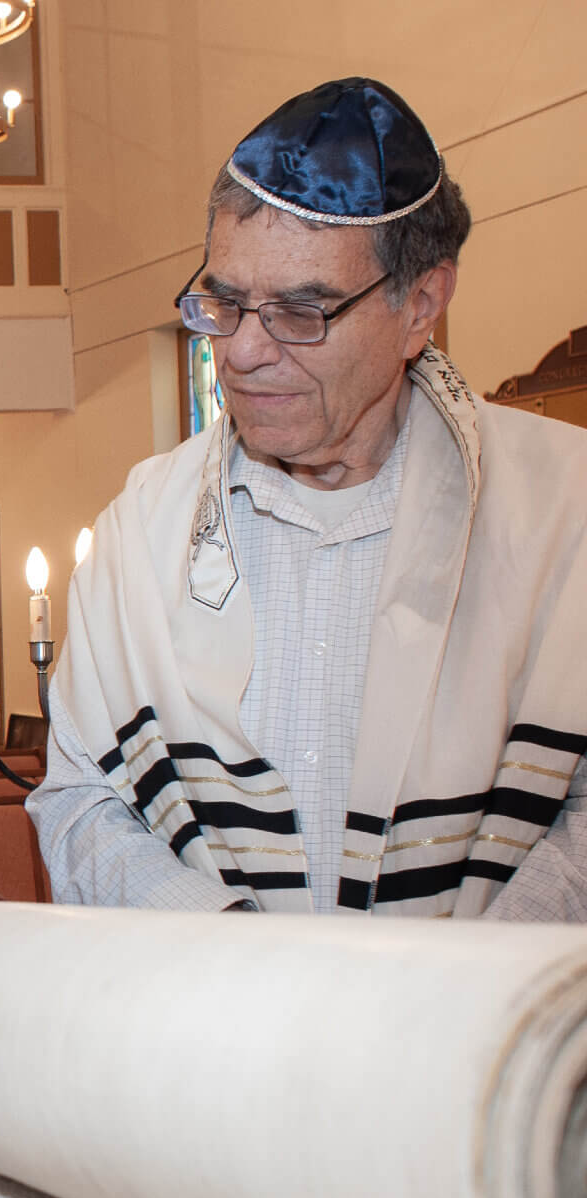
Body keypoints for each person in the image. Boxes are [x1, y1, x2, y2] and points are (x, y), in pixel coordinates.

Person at [31, 77, 587, 921]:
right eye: (224, 302)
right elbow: (81, 799)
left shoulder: (561, 513)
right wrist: (238, 960)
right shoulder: (144, 527)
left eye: (302, 312)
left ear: (421, 306)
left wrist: (466, 984)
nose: (245, 351)